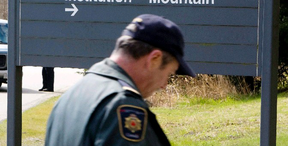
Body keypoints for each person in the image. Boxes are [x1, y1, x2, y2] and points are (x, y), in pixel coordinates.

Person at [45, 14, 196, 146]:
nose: (164, 85)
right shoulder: (123, 106)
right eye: (169, 73)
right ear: (154, 59)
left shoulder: (71, 96)